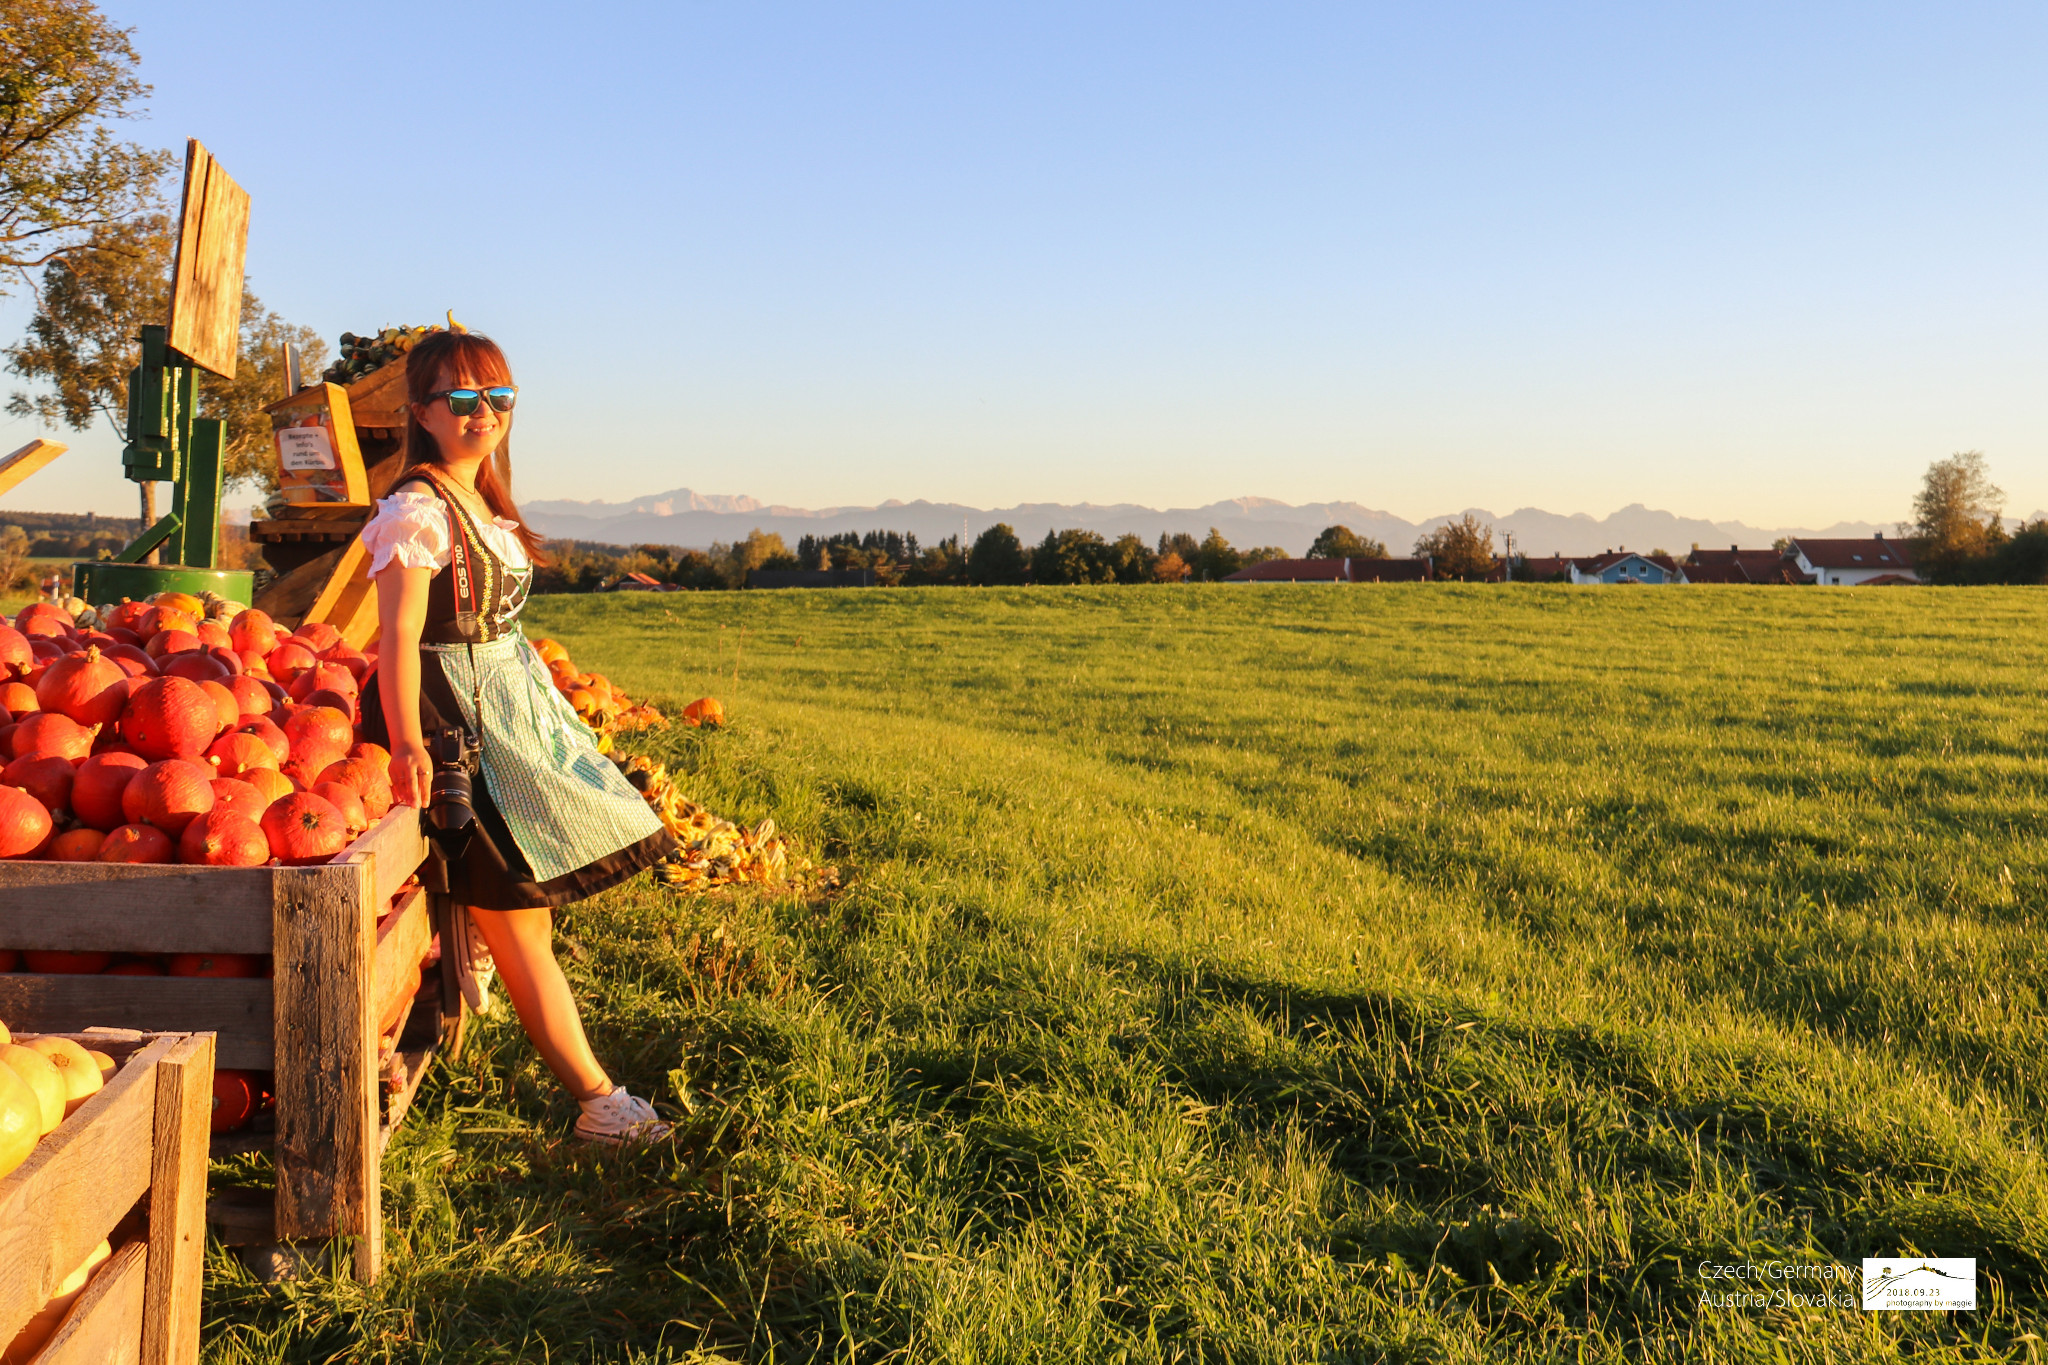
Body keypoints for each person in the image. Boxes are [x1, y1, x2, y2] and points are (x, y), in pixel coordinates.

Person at [359, 329, 677, 1145]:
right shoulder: (418, 511)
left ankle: (597, 1095)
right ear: (422, 413)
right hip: (453, 726)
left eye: (498, 399)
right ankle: (599, 1103)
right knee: (519, 916)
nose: (484, 415)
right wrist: (405, 742)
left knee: (525, 908)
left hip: (505, 714)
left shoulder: (478, 504)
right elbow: (397, 638)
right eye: (462, 401)